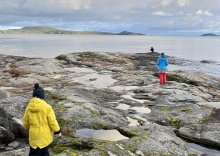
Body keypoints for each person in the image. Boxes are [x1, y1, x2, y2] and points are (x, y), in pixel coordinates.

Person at [23, 83, 62, 156]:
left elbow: (25, 122)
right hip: (44, 135)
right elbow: (52, 121)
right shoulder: (47, 107)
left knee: (33, 152)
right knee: (44, 151)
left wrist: (30, 128)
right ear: (42, 96)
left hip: (34, 134)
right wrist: (57, 131)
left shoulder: (28, 108)